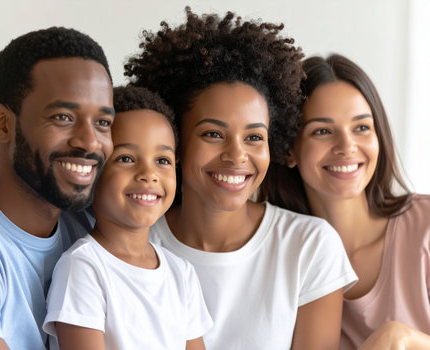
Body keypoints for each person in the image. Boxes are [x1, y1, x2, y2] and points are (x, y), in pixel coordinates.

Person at [125, 7, 357, 350]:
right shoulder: (132, 246)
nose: (236, 156)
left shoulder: (309, 247)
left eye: (254, 137)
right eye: (213, 135)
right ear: (176, 139)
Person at [261, 53, 430, 349]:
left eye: (361, 127)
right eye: (323, 131)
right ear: (289, 150)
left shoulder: (425, 225)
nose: (347, 147)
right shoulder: (275, 255)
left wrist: (405, 338)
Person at [43, 85, 213, 350]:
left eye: (163, 160)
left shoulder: (181, 272)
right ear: (92, 173)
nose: (149, 173)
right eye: (125, 158)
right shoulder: (83, 268)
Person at [0, 27, 115, 350]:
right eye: (63, 117)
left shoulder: (94, 226)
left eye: (103, 122)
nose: (89, 142)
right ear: (2, 123)